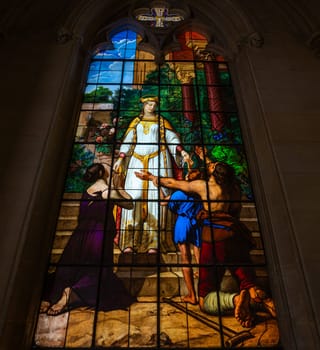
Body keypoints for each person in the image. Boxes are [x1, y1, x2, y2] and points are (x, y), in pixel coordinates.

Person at [135, 162, 276, 327]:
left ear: (215, 174)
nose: (209, 164)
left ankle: (235, 299)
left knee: (205, 299)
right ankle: (264, 300)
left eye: (212, 165)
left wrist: (152, 177)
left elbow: (173, 183)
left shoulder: (204, 187)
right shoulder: (234, 189)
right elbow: (235, 213)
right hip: (235, 236)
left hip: (215, 238)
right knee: (249, 282)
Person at [40, 163, 135, 315]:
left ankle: (51, 297)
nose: (112, 167)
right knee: (95, 270)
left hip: (80, 235)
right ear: (103, 173)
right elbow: (130, 204)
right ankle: (69, 294)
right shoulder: (106, 191)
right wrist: (120, 187)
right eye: (108, 166)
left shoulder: (88, 190)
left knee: (71, 267)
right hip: (98, 236)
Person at [113, 96, 189, 254]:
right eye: (148, 104)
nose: (151, 106)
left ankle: (153, 243)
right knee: (134, 197)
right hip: (137, 163)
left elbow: (172, 139)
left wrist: (182, 151)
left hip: (158, 162)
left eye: (154, 104)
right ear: (143, 105)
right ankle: (129, 242)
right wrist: (121, 159)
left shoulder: (162, 122)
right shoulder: (136, 122)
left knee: (156, 198)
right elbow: (128, 142)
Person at [165, 169, 203, 305]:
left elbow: (172, 207)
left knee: (185, 258)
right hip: (197, 222)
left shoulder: (178, 194)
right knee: (198, 251)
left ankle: (192, 295)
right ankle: (203, 292)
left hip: (183, 223)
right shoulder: (200, 193)